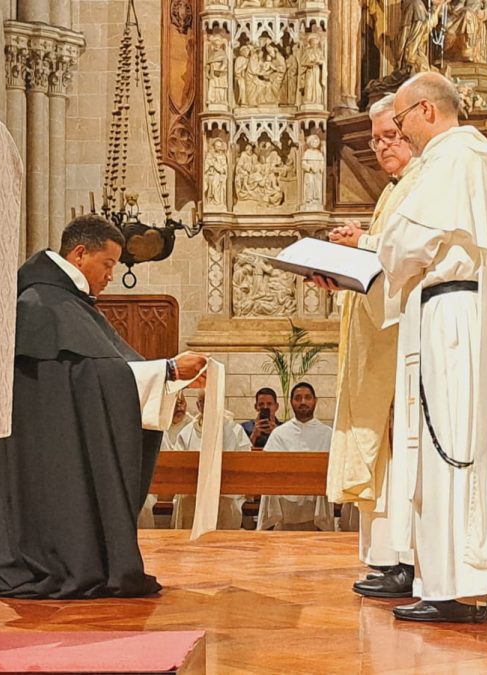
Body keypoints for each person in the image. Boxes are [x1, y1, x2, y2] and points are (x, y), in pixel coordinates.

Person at [0, 215, 208, 599]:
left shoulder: (64, 303)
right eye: (108, 264)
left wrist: (168, 375)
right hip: (48, 451)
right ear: (80, 255)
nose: (111, 275)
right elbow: (95, 377)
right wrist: (166, 370)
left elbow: (102, 372)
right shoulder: (41, 304)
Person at [378, 72, 487, 623]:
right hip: (450, 306)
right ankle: (458, 582)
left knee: (449, 445)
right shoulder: (469, 158)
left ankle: (455, 587)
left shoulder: (453, 158)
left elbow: (409, 238)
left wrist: (378, 251)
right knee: (449, 441)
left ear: (427, 111)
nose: (400, 132)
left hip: (450, 316)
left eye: (402, 119)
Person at [316, 93, 421, 599]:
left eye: (390, 136)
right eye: (375, 139)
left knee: (398, 449)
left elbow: (409, 258)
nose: (381, 147)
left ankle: (405, 558)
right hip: (378, 338)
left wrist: (360, 246)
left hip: (399, 346)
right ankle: (386, 555)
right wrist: (346, 268)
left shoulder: (421, 185)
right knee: (381, 451)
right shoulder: (393, 192)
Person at [257, 383, 335, 531]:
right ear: (291, 402)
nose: (303, 402)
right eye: (298, 398)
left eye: (307, 397)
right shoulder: (280, 433)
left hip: (316, 498)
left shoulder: (328, 433)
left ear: (315, 401)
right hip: (285, 500)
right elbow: (268, 465)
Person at [173, 392, 253, 529]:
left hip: (226, 495)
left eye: (213, 400)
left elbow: (245, 464)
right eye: (204, 402)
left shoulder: (235, 431)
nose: (208, 405)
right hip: (193, 496)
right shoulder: (186, 433)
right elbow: (177, 466)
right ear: (198, 405)